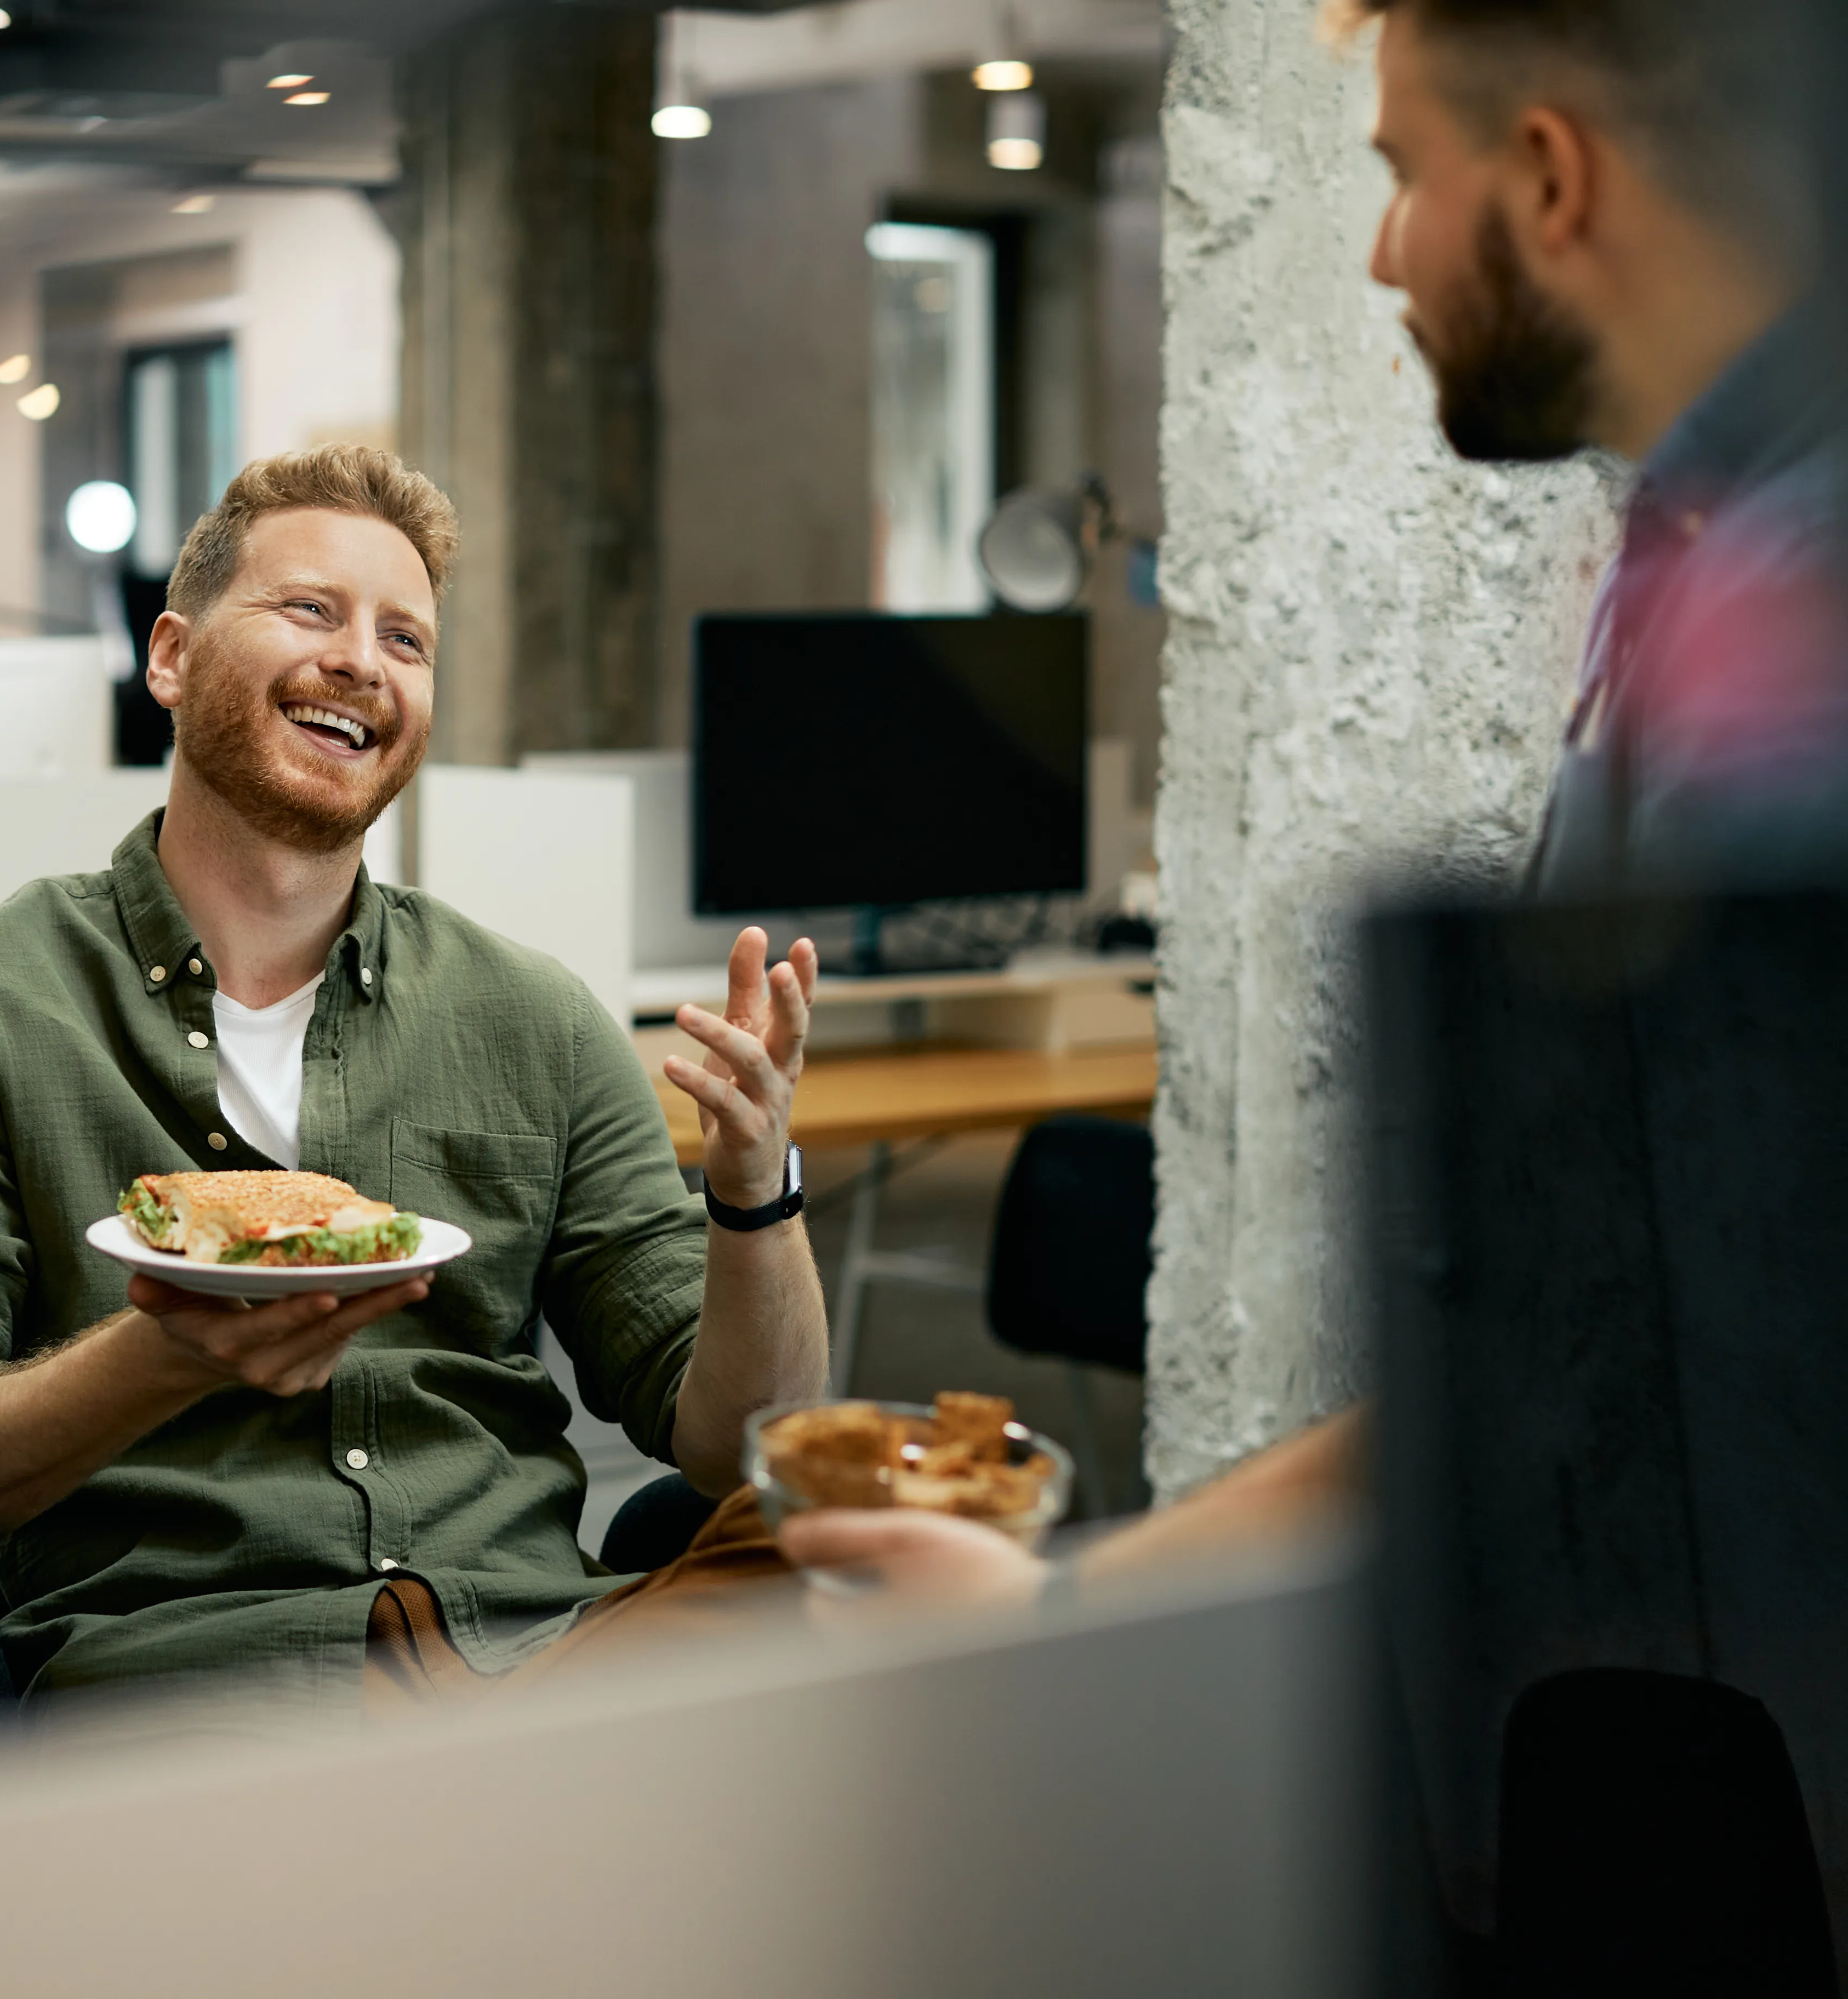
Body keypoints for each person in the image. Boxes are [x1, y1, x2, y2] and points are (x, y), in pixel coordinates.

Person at [789, 0, 1843, 1596]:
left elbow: (1631, 1340)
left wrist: (1070, 1618)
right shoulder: (1696, 553)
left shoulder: (1797, 618)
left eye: (1405, 175)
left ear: (1551, 180)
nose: (1381, 255)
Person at [0, 443, 831, 1704]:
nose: (363, 660)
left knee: (864, 1551)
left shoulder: (535, 1019)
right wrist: (169, 1357)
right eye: (310, 609)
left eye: (405, 639)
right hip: (198, 1680)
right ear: (172, 658)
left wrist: (756, 1195)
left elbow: (740, 1444)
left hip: (535, 1649)